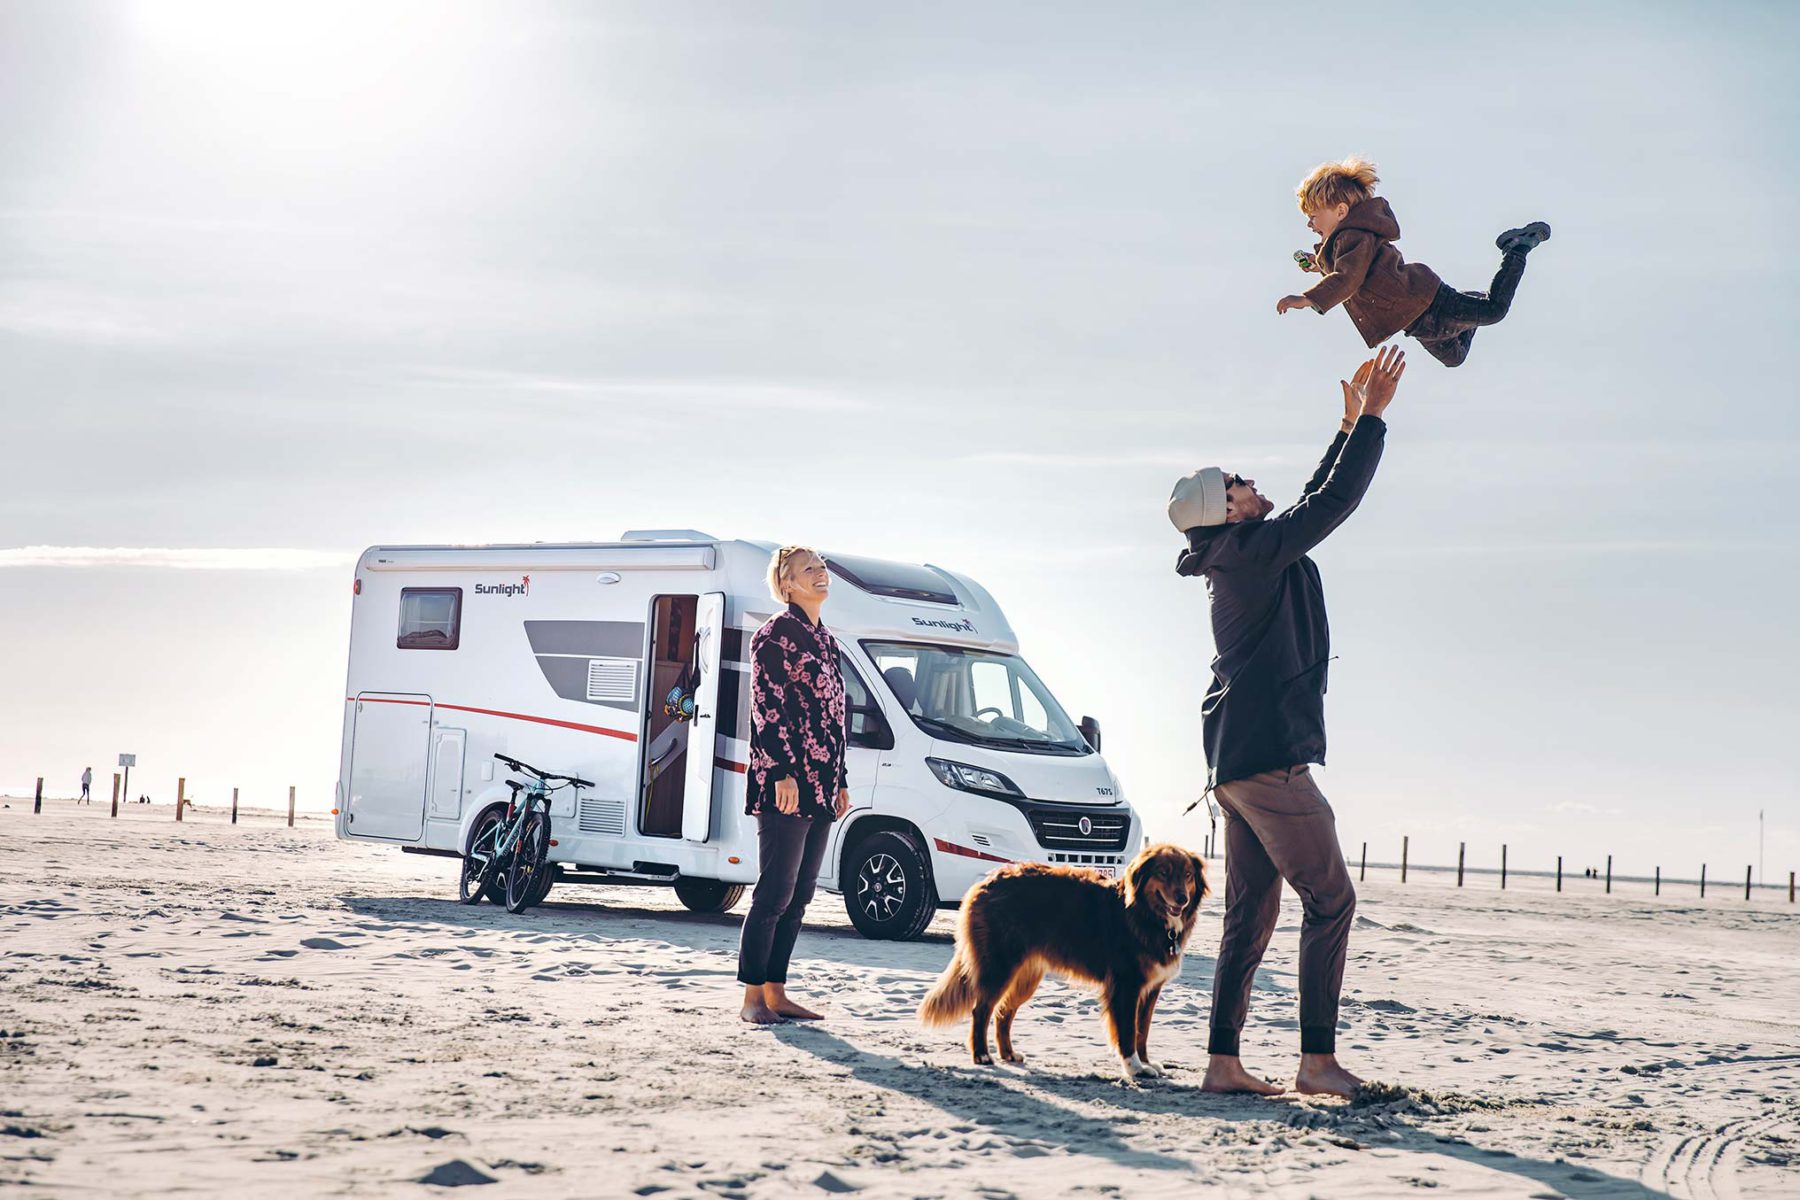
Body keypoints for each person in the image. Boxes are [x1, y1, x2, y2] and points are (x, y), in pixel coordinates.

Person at [1166, 345, 1406, 1099]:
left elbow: (1308, 498)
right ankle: (1317, 1062)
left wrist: (1345, 425)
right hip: (1267, 756)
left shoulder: (1241, 549)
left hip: (1236, 759)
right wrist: (1371, 424)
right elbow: (1331, 505)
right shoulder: (1250, 553)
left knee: (1251, 914)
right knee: (1331, 900)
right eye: (1240, 485)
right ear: (1224, 510)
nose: (1253, 486)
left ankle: (1223, 1064)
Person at [1277, 156, 1550, 368]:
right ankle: (1470, 303)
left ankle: (1516, 248)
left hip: (1429, 302)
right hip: (1416, 322)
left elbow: (1349, 278)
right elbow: (1348, 270)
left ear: (1340, 210)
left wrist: (1307, 299)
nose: (1309, 223)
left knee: (1495, 310)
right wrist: (1319, 265)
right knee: (1454, 357)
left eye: (1313, 215)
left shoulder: (1353, 235)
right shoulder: (1344, 243)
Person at [737, 545, 852, 1025]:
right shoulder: (773, 637)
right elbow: (767, 709)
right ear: (787, 584)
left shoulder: (827, 641)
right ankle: (751, 1000)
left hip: (823, 783)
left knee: (801, 894)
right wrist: (782, 769)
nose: (821, 574)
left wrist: (841, 779)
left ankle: (777, 993)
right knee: (774, 892)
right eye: (810, 569)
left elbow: (834, 716)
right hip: (786, 779)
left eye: (822, 567)